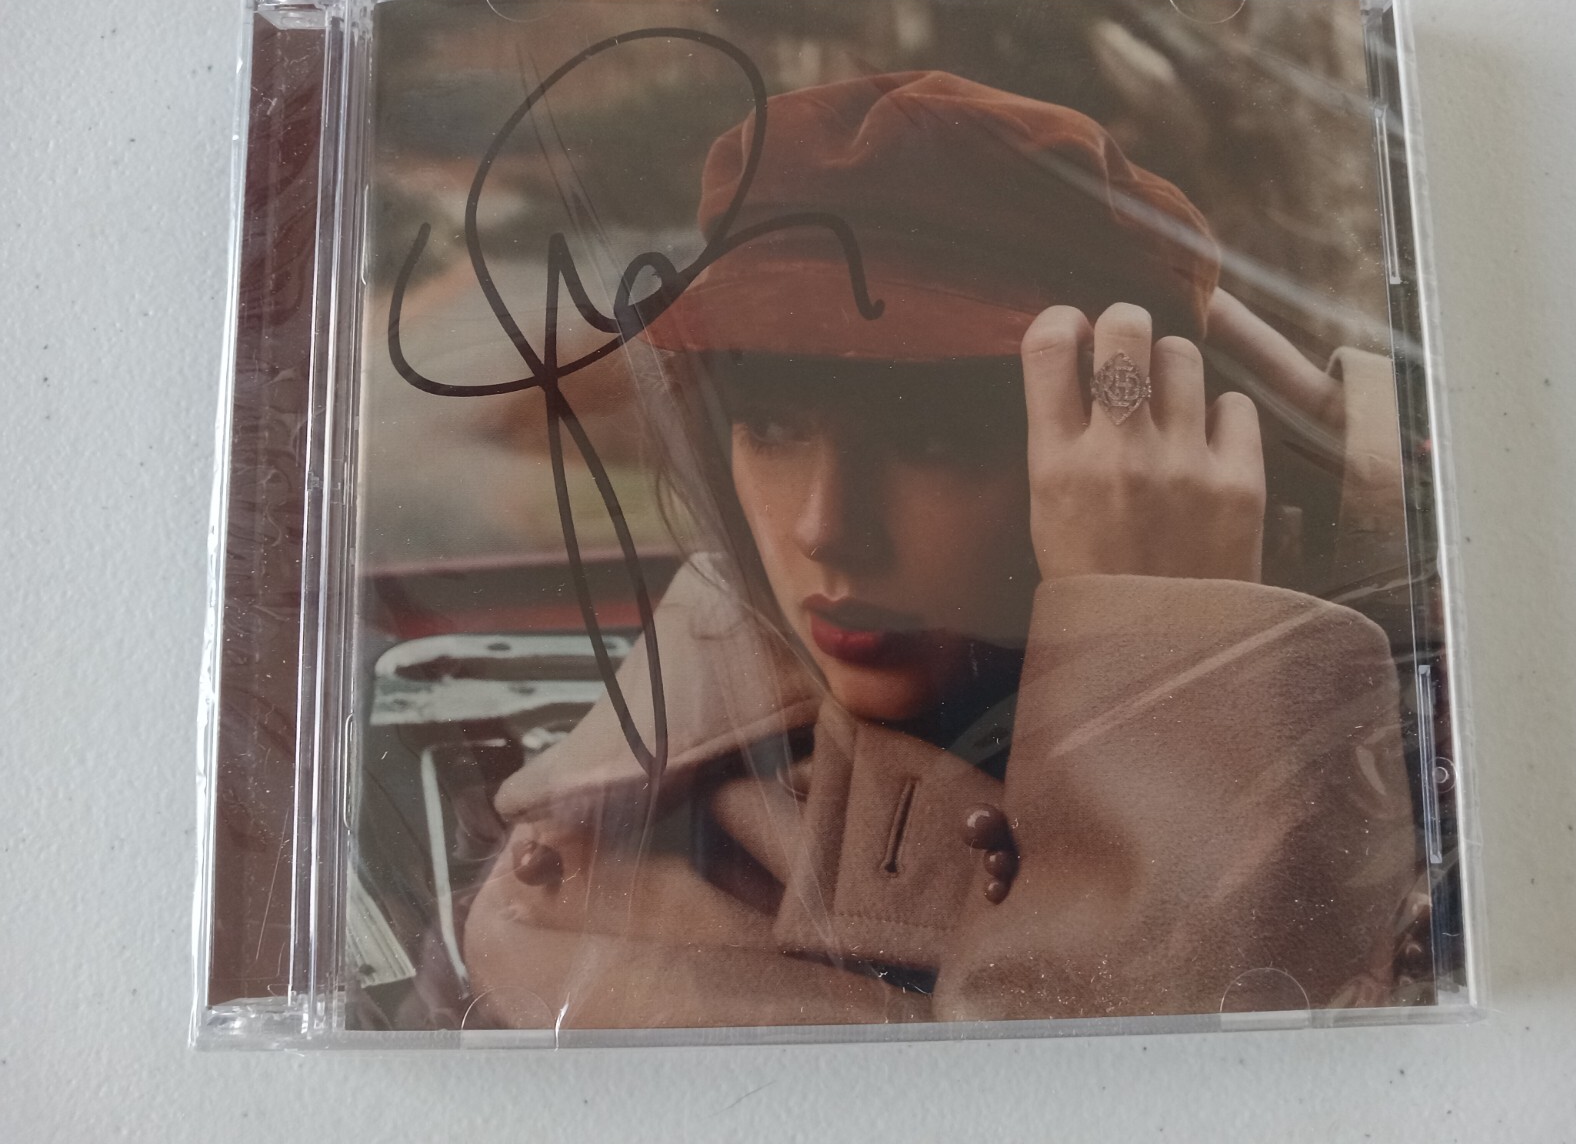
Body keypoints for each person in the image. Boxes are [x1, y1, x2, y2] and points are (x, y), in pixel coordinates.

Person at [461, 71, 1421, 1029]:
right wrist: (1174, 671)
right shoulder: (612, 898)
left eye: (933, 437)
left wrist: (1333, 452)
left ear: (1129, 452)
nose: (826, 527)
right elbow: (1122, 1080)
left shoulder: (1336, 683)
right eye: (774, 426)